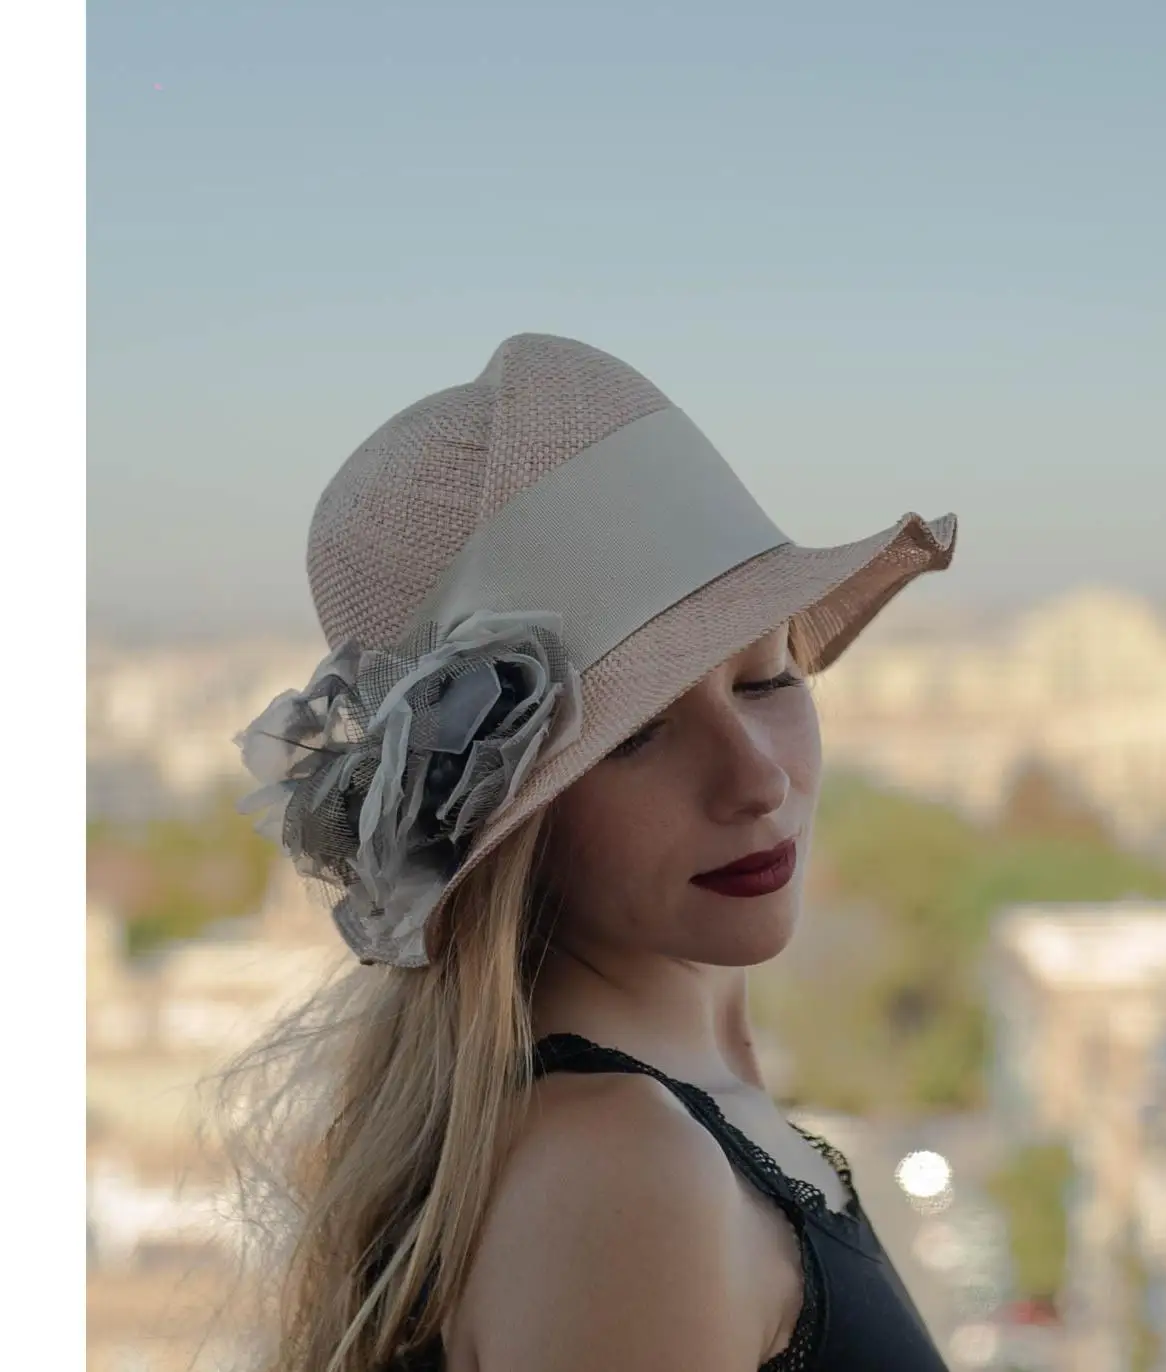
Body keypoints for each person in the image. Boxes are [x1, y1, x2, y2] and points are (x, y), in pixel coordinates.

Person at [223, 333, 958, 1372]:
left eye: (765, 682)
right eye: (635, 735)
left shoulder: (664, 1128)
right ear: (510, 815)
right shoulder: (628, 1174)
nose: (755, 778)